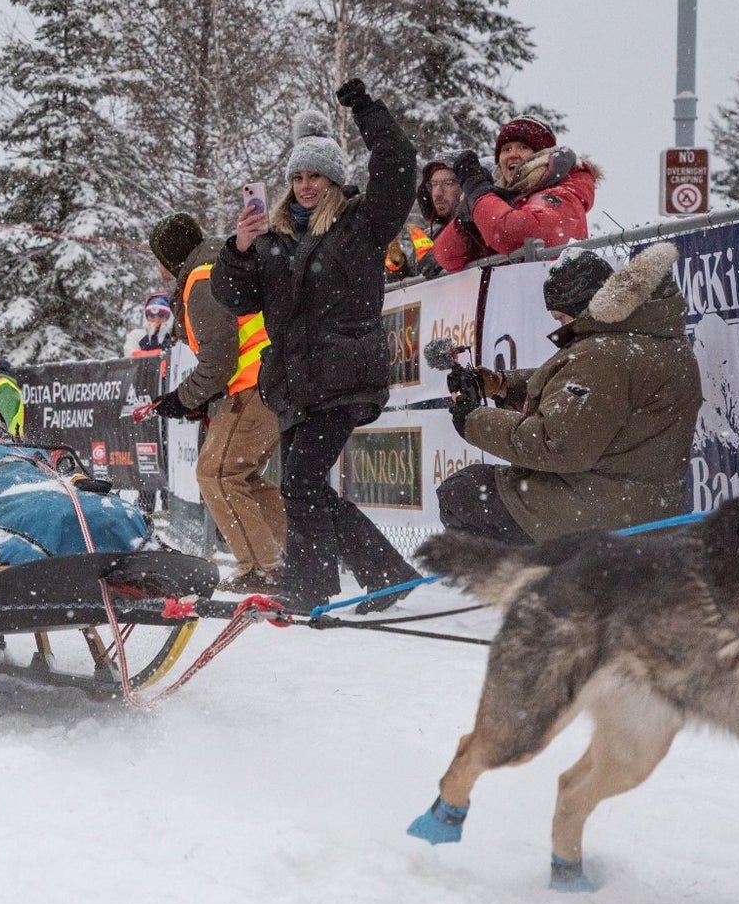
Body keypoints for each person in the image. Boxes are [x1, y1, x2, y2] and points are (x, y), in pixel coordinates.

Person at [211, 81, 421, 613]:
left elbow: (399, 164)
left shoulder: (361, 223)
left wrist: (365, 110)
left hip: (345, 375)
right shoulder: (272, 239)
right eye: (299, 177)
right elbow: (236, 299)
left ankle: (311, 588)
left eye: (316, 176)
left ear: (334, 179)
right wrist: (237, 248)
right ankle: (388, 574)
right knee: (305, 487)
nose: (306, 186)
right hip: (295, 383)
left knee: (302, 481)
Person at [438, 242, 703, 542]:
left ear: (584, 308)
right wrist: (502, 386)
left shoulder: (606, 356)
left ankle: (527, 585)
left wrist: (474, 420)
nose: (560, 327)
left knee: (462, 493)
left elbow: (556, 444)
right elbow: (588, 401)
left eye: (562, 319)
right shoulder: (640, 338)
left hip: (599, 509)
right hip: (633, 500)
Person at [146, 212, 285, 592]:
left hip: (256, 383)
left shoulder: (200, 278)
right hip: (272, 378)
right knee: (241, 475)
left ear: (168, 255)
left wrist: (182, 398)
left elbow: (220, 359)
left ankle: (263, 568)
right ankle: (298, 553)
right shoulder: (214, 265)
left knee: (216, 472)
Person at [431, 117, 600, 272]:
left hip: (544, 301)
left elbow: (511, 234)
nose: (512, 154)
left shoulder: (564, 191)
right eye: (506, 149)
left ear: (543, 154)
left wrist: (479, 194)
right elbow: (447, 257)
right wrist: (465, 220)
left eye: (523, 147)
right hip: (507, 299)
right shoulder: (498, 200)